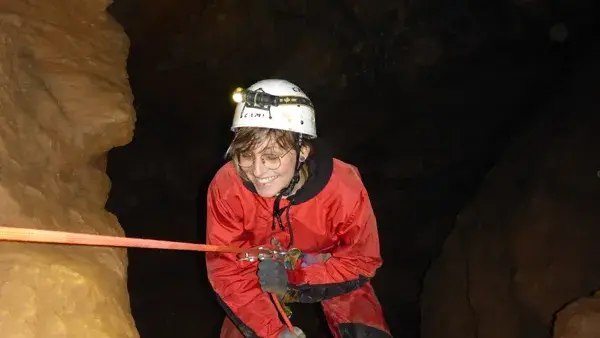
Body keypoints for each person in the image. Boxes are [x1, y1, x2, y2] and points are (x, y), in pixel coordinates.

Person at [205, 79, 391, 338]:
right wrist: (274, 333)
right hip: (258, 269)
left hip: (325, 265)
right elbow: (228, 272)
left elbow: (361, 261)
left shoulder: (342, 187)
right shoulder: (228, 186)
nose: (257, 171)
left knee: (362, 320)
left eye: (271, 156)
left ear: (302, 151)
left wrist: (294, 276)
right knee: (242, 328)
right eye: (246, 155)